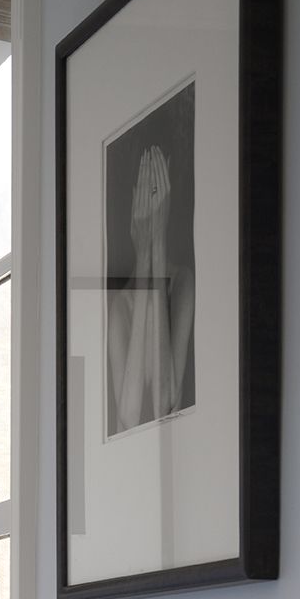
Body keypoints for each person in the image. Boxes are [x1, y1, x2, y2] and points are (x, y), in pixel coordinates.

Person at [107, 143, 195, 433]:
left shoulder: (183, 283)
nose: (152, 204)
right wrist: (144, 259)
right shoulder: (121, 304)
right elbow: (130, 416)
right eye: (146, 194)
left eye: (158, 192)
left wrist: (157, 248)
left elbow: (163, 404)